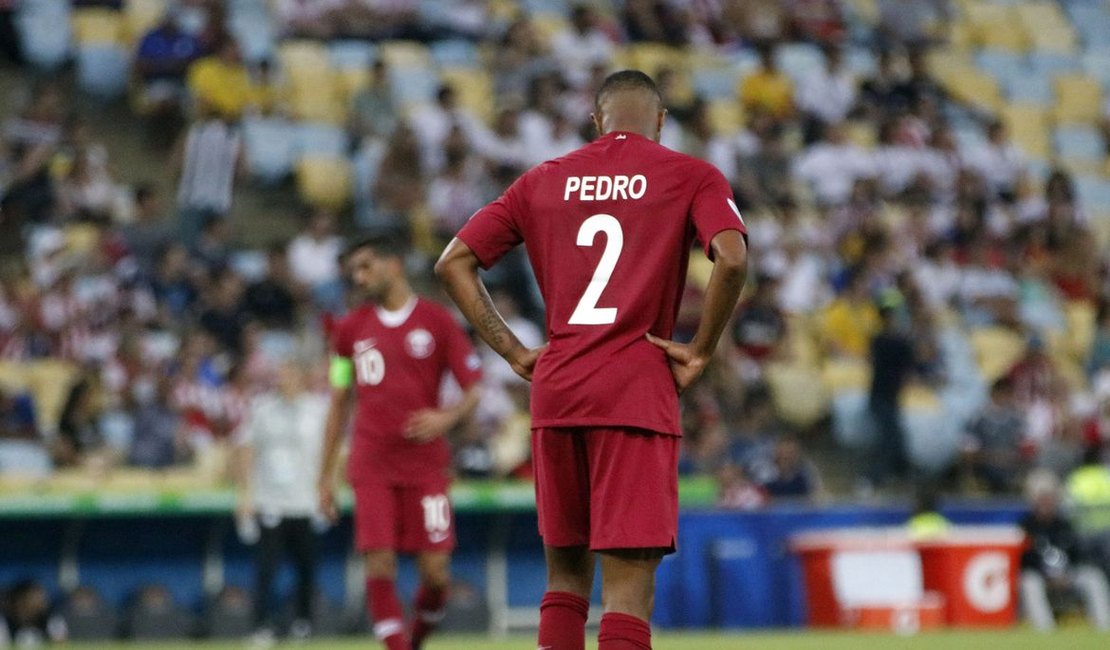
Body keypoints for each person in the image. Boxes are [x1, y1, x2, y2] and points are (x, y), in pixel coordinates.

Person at [436, 70, 747, 650]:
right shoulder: (690, 175)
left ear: (595, 120)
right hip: (634, 390)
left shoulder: (542, 181)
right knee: (627, 590)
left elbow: (453, 262)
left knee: (566, 579)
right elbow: (731, 258)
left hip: (558, 391)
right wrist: (701, 349)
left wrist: (514, 352)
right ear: (660, 121)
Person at [318, 234, 483, 650]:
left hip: (426, 465)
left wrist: (446, 417)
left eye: (366, 266)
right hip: (371, 462)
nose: (359, 277)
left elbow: (475, 387)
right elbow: (339, 400)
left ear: (394, 265)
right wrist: (324, 477)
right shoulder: (348, 331)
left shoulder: (438, 321)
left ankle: (417, 639)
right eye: (354, 270)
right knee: (380, 561)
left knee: (436, 574)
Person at [234, 359, 327, 645]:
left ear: (300, 378)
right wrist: (245, 495)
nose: (282, 380)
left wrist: (327, 493)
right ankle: (261, 626)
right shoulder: (262, 408)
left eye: (288, 375)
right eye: (279, 375)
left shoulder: (318, 410)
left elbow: (331, 453)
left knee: (306, 567)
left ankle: (303, 623)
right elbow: (246, 449)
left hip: (305, 501)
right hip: (270, 499)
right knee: (266, 568)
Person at [1020, 470, 1110, 631]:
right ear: (1033, 500)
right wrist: (1047, 575)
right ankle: (1045, 630)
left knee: (1093, 577)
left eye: (1050, 498)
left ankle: (1104, 627)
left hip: (1067, 576)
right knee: (1029, 581)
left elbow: (1077, 553)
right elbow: (1024, 560)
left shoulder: (1065, 525)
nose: (1046, 503)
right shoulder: (1026, 526)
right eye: (1042, 499)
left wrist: (1065, 574)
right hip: (1042, 578)